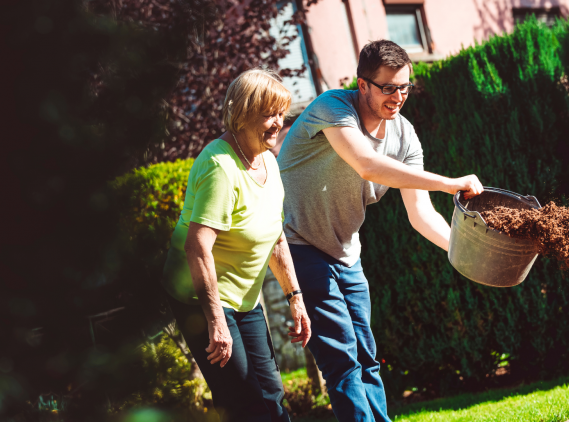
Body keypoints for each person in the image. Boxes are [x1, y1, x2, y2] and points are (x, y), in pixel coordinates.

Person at [276, 40, 483, 422]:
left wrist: (467, 253)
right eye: (388, 87)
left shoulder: (403, 135)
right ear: (363, 84)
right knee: (341, 357)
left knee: (367, 356)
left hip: (345, 251)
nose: (398, 96)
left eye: (404, 87)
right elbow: (367, 165)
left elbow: (420, 213)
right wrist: (449, 182)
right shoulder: (333, 108)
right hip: (298, 243)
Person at [162, 68, 311, 422]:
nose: (277, 123)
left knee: (271, 396)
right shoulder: (219, 167)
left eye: (280, 113)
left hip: (243, 297)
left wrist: (295, 297)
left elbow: (274, 235)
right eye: (268, 114)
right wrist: (215, 322)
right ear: (242, 114)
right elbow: (197, 247)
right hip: (202, 298)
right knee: (242, 400)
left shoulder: (268, 162)